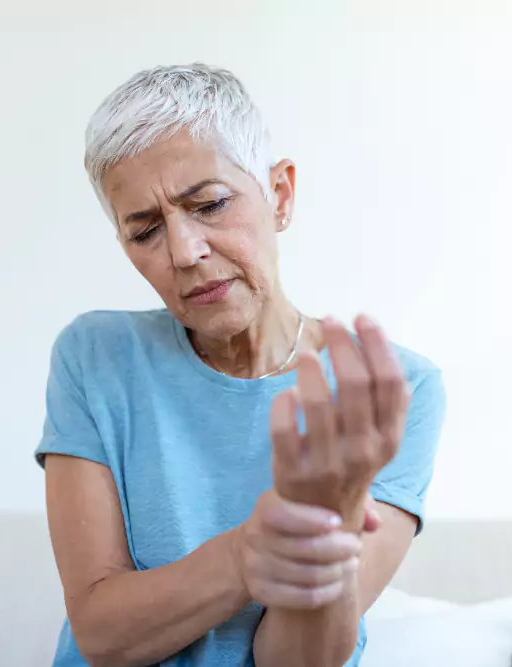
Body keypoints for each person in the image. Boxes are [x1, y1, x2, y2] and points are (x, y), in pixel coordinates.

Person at [35, 63, 446, 667]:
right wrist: (248, 554)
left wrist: (335, 506)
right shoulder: (95, 358)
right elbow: (102, 634)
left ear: (279, 195)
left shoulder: (395, 391)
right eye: (145, 231)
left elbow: (294, 660)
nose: (184, 251)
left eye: (210, 204)